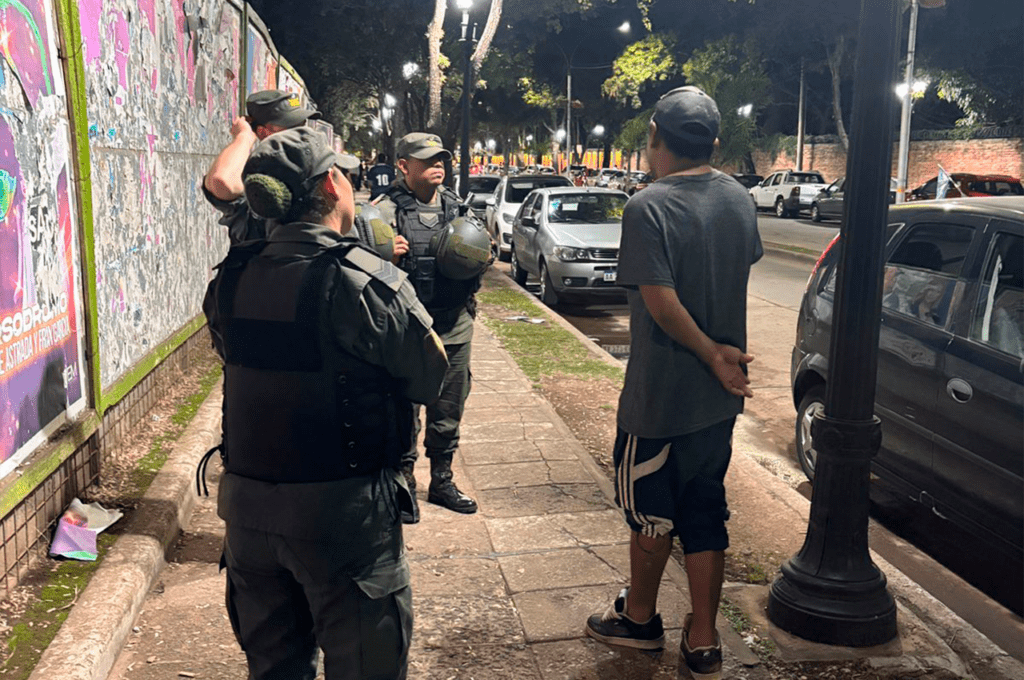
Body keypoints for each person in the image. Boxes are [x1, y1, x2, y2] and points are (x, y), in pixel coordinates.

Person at [203, 128, 449, 680]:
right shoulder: (364, 285)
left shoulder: (232, 279)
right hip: (344, 521)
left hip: (248, 519)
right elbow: (430, 379)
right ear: (334, 184)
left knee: (273, 669)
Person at [583, 86, 762, 680]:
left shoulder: (648, 206)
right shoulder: (739, 198)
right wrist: (720, 357)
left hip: (658, 399)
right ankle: (704, 640)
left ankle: (639, 619)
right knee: (706, 509)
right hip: (717, 403)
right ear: (713, 141)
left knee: (650, 515)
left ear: (654, 135)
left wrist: (710, 352)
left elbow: (659, 301)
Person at [373, 132, 492, 524]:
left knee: (449, 404)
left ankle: (441, 479)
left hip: (454, 322)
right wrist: (384, 255)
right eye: (427, 160)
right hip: (407, 327)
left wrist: (477, 257)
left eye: (440, 158)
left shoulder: (459, 209)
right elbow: (355, 267)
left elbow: (479, 260)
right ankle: (404, 480)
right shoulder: (382, 212)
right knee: (404, 406)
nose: (437, 165)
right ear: (403, 166)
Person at [203, 89, 323, 243]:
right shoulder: (261, 183)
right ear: (263, 132)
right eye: (291, 126)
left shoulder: (315, 169)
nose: (302, 131)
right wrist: (244, 137)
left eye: (302, 123)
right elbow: (222, 182)